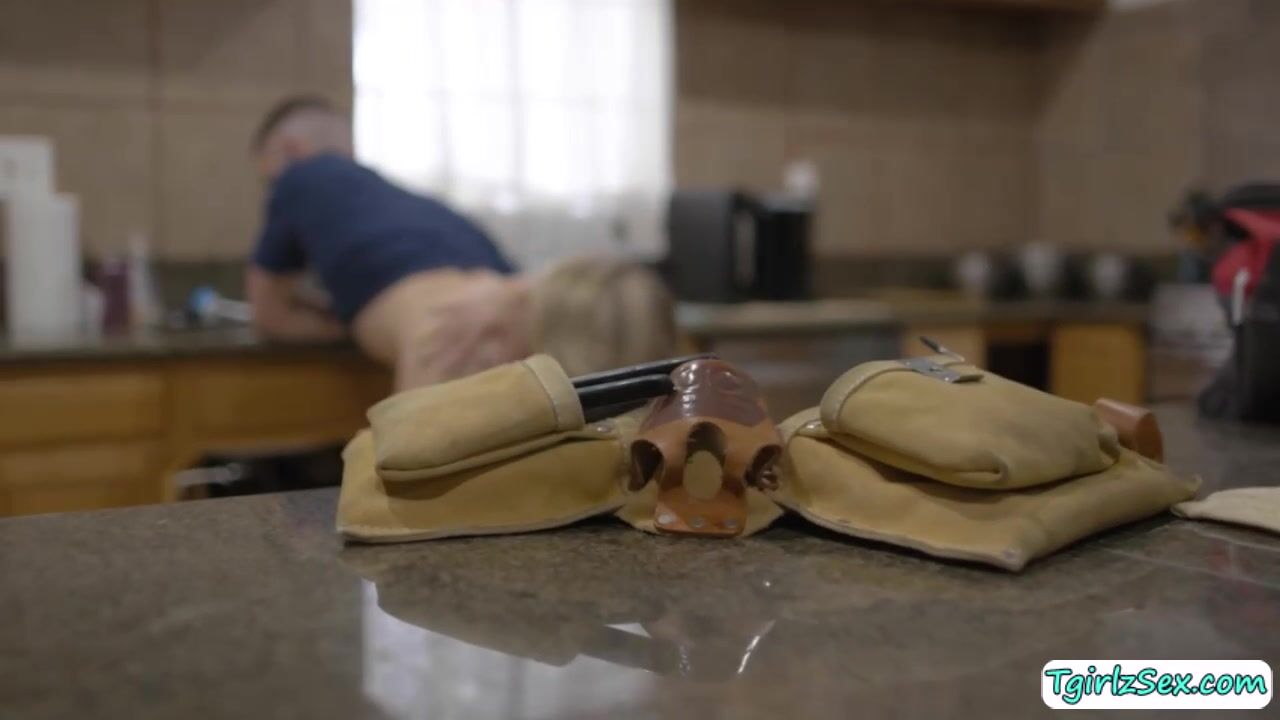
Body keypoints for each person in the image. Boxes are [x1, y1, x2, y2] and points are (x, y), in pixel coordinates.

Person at [247, 95, 675, 389]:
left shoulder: (299, 175)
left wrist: (345, 325)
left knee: (415, 485)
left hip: (441, 337)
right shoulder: (414, 203)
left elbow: (270, 316)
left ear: (288, 149)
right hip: (518, 303)